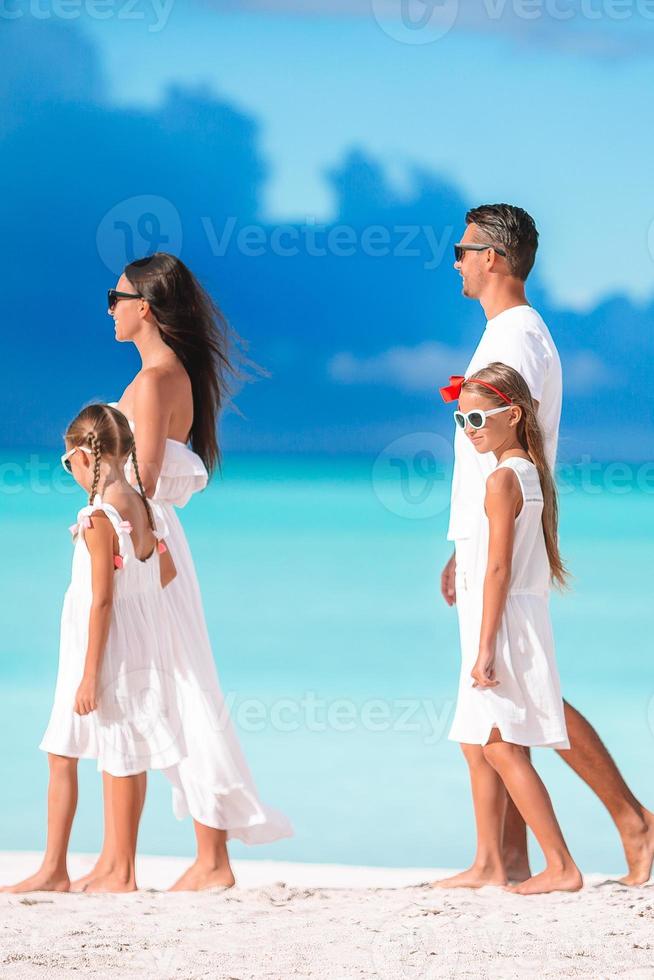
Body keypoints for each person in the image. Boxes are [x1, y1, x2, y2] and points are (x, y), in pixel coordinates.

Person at [441, 203, 653, 886]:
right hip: (488, 529)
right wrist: (459, 543)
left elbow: (504, 448)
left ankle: (630, 821)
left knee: (524, 690)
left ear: (492, 258)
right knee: (494, 696)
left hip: (501, 530)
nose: (457, 262)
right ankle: (499, 859)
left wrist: (480, 536)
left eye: (462, 250)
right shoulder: (516, 333)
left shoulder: (514, 338)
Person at [71, 254, 292, 894]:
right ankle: (198, 855)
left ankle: (184, 859)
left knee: (169, 682)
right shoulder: (166, 376)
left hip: (145, 544)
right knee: (178, 682)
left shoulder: (156, 380)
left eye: (116, 297)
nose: (109, 308)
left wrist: (115, 534)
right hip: (155, 539)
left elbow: (133, 485)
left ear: (146, 306)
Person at [2, 404, 179, 894]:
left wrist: (88, 674)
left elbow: (101, 599)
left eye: (67, 464)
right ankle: (58, 868)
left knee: (118, 749)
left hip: (100, 651)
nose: (70, 473)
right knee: (65, 749)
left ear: (84, 456)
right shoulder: (142, 506)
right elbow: (165, 574)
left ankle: (120, 874)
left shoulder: (98, 515)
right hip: (127, 642)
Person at [435, 364, 582, 894]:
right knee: (481, 739)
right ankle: (491, 863)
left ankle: (561, 866)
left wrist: (484, 647)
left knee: (498, 744)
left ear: (513, 415)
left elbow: (498, 568)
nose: (469, 428)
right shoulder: (526, 474)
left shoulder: (501, 479)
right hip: (517, 616)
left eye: (478, 417)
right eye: (460, 419)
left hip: (501, 622)